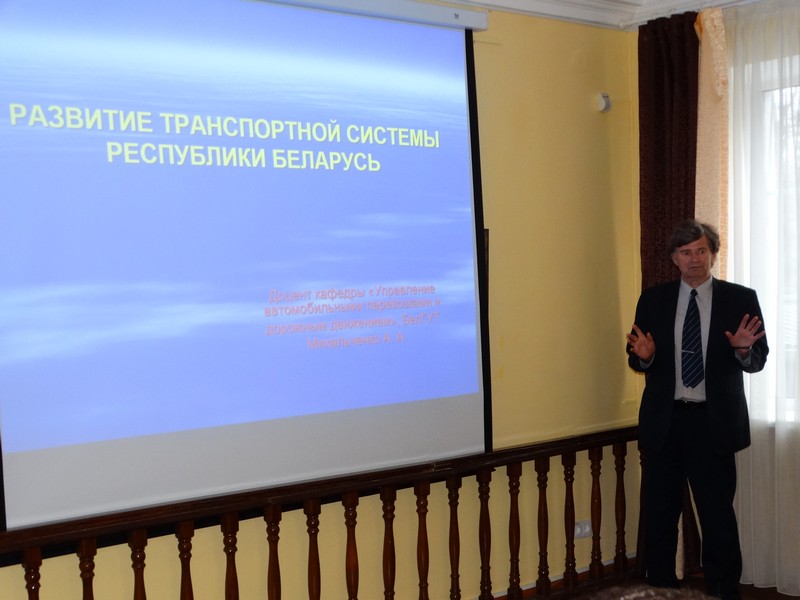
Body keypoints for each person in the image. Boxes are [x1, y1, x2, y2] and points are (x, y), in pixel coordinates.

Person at [626, 219, 768, 600]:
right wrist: (645, 358)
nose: (694, 259)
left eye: (701, 251)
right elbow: (636, 355)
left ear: (713, 255)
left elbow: (758, 358)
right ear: (674, 258)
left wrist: (744, 351)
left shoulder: (740, 299)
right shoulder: (653, 300)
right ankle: (661, 589)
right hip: (665, 423)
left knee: (717, 516)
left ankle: (723, 591)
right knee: (660, 514)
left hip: (712, 423)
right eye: (686, 252)